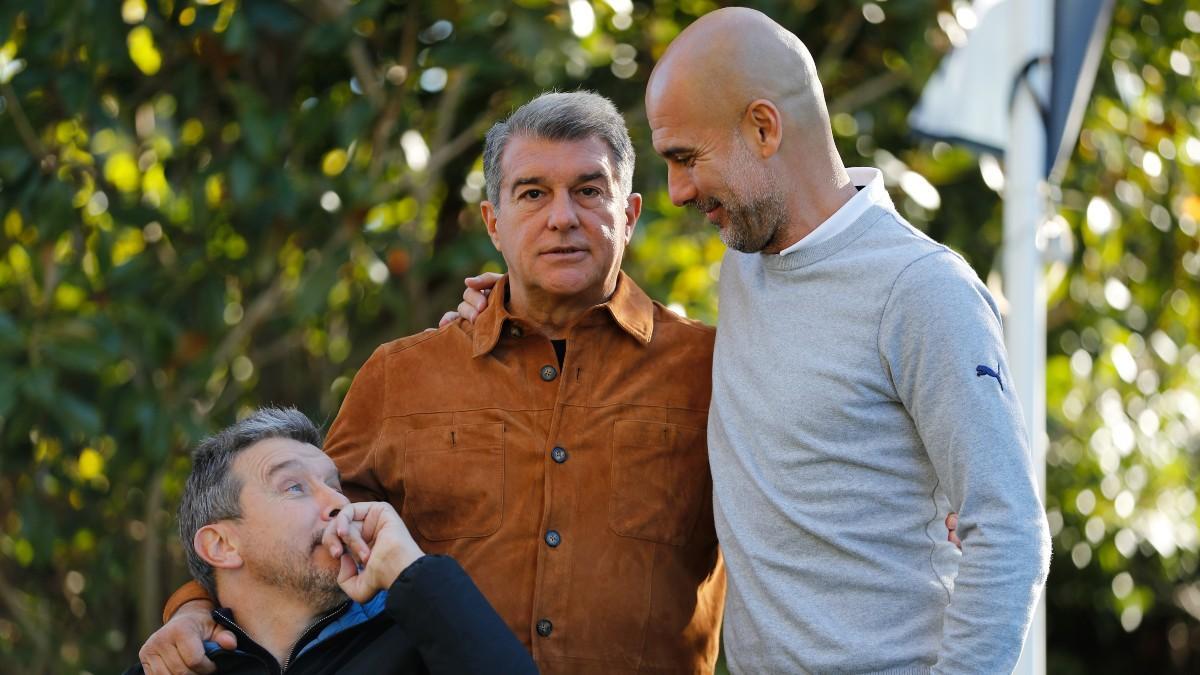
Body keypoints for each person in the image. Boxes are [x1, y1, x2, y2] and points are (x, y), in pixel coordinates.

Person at [454, 8, 1051, 674]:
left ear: (763, 128)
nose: (677, 190)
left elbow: (1009, 531)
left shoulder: (921, 289)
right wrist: (517, 303)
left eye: (686, 158)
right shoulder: (745, 260)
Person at [138, 93, 724, 675]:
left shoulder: (713, 370)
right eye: (532, 193)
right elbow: (293, 541)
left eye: (589, 190)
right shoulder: (404, 376)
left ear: (630, 214)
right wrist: (196, 610)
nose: (562, 217)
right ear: (493, 223)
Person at [127, 407, 536, 674]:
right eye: (294, 488)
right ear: (222, 546)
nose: (338, 503)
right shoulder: (173, 664)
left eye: (334, 485)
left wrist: (411, 570)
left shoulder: (421, 635)